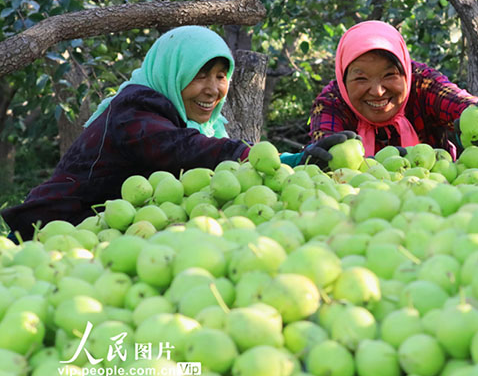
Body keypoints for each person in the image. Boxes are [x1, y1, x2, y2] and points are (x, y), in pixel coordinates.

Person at [1, 26, 349, 241]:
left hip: (115, 235)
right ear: (172, 71)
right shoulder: (134, 110)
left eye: (220, 76)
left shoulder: (187, 119)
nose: (213, 89)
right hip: (51, 232)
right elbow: (184, 150)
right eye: (199, 75)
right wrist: (286, 161)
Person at [297, 20, 478, 162]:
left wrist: (477, 115)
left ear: (405, 70)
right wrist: (319, 157)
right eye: (361, 78)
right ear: (343, 78)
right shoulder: (333, 102)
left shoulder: (420, 83)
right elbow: (325, 143)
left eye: (389, 75)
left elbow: (455, 100)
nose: (377, 92)